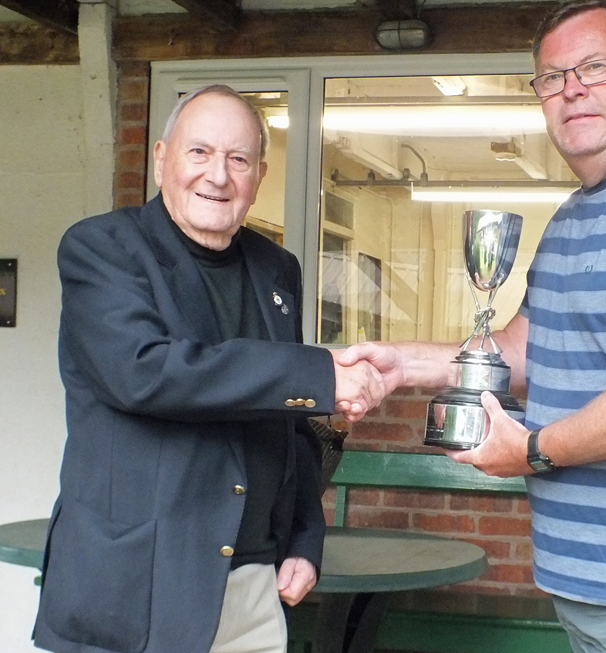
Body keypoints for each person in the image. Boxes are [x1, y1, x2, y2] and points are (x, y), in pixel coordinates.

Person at [338, 0, 606, 653]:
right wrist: (403, 363)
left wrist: (532, 450)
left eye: (595, 67)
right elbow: (521, 348)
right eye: (552, 76)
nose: (571, 90)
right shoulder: (575, 217)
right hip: (594, 584)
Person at [33, 84, 384, 653]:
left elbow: (287, 425)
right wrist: (317, 375)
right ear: (160, 158)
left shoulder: (276, 269)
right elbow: (143, 372)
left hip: (252, 584)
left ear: (259, 176)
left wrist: (303, 537)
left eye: (238, 159)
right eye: (199, 152)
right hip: (133, 589)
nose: (217, 175)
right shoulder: (103, 248)